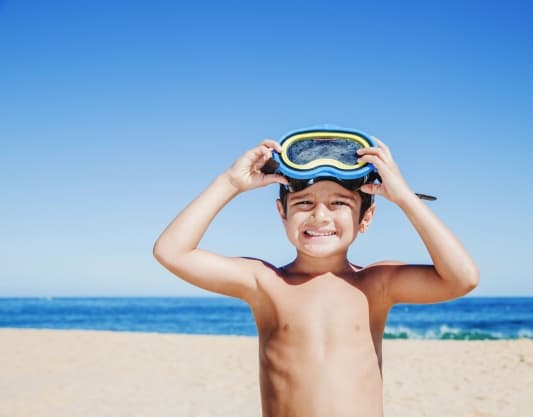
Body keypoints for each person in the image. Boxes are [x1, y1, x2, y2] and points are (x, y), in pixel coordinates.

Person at [153, 132, 479, 417]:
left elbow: (462, 277)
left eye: (339, 203)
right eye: (304, 203)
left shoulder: (376, 283)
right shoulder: (265, 282)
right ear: (283, 212)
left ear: (366, 218)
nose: (319, 216)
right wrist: (229, 183)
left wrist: (406, 198)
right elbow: (172, 252)